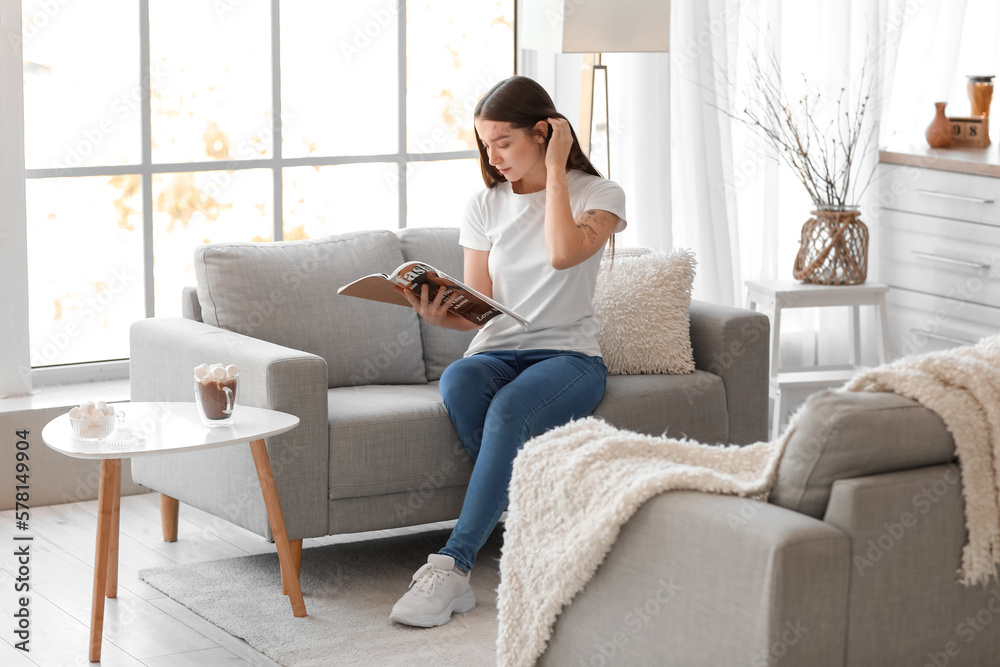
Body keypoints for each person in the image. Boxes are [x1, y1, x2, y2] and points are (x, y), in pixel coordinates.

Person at [389, 75, 627, 628]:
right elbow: (483, 303)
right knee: (459, 381)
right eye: (484, 145)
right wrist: (437, 309)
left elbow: (565, 255)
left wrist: (557, 174)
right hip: (497, 350)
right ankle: (542, 520)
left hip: (568, 358)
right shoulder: (483, 203)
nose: (493, 158)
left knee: (510, 410)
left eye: (504, 143)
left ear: (544, 133)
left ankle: (451, 565)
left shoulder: (600, 195)